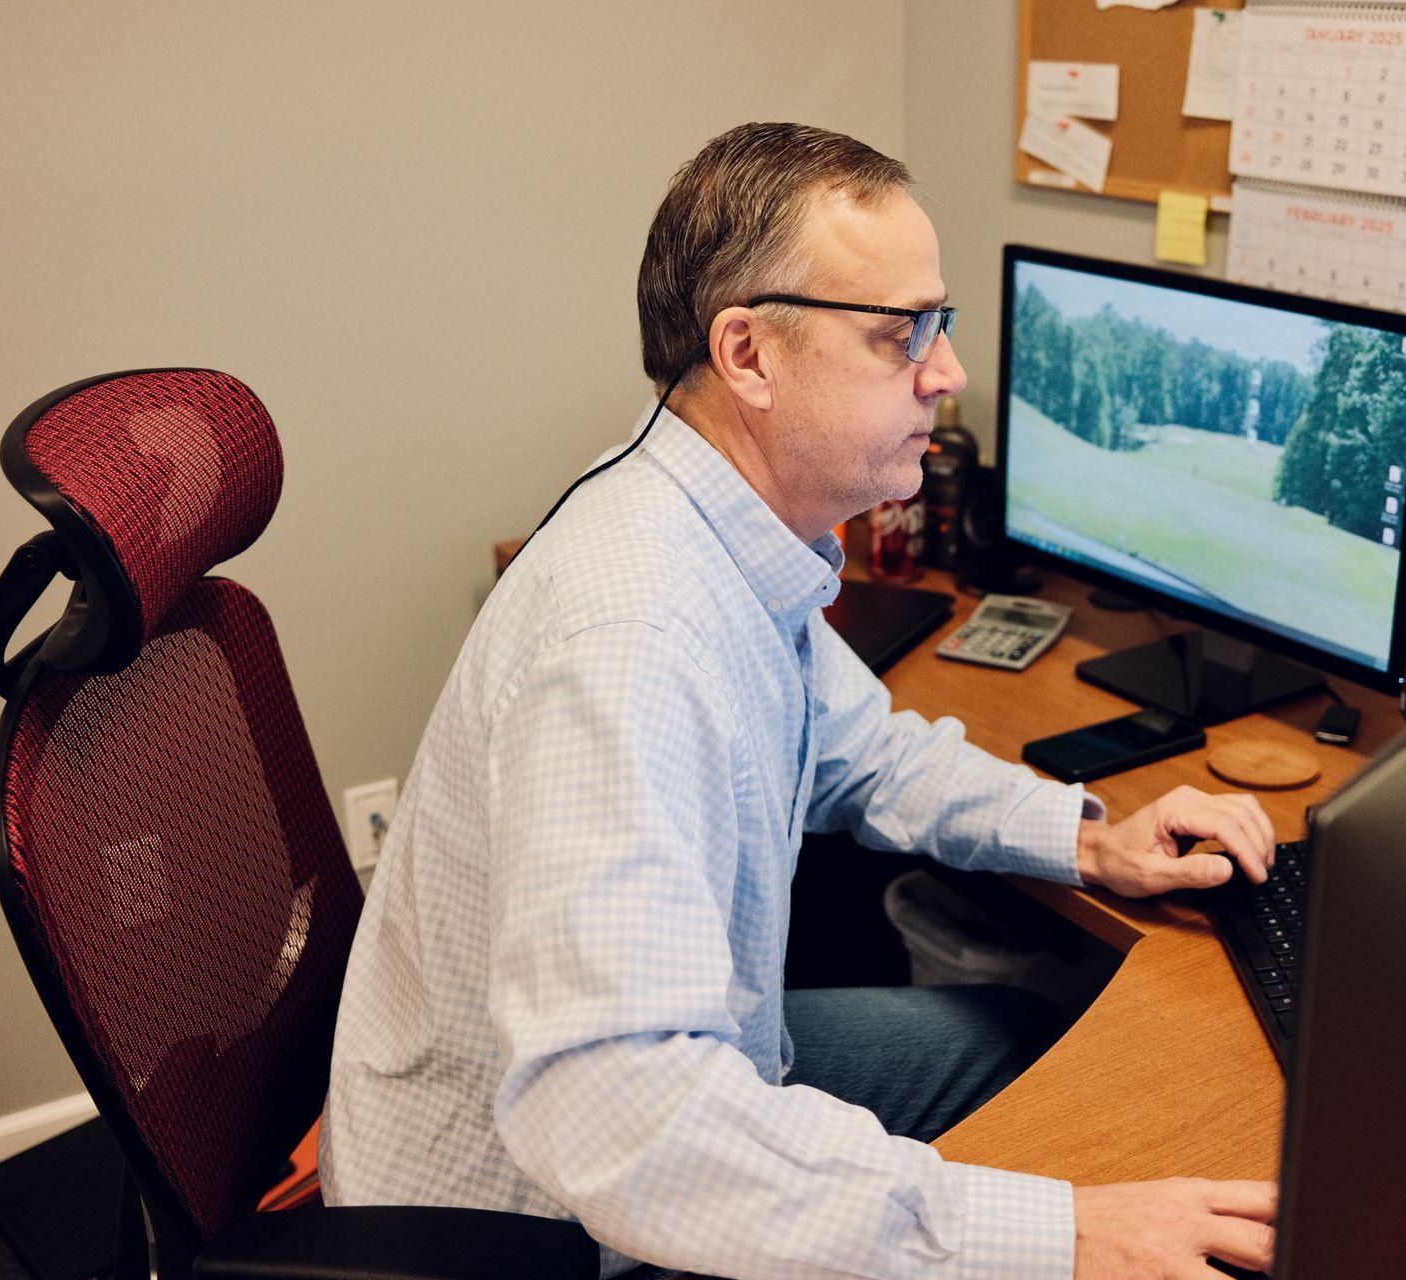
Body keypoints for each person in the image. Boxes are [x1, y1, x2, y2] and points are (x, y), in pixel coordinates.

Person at [324, 122, 1280, 1280]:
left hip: (674, 1081)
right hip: (534, 1221)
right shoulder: (632, 640)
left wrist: (1092, 841)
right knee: (1066, 1180)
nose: (947, 372)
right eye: (900, 333)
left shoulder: (730, 528)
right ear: (748, 353)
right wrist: (1068, 1233)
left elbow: (865, 752)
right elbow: (627, 1121)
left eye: (940, 325)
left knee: (1021, 1038)